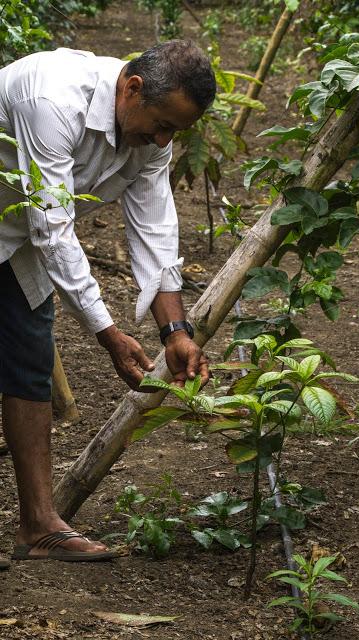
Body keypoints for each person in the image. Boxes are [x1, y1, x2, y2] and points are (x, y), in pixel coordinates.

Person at [0, 40, 215, 565]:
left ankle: (39, 524)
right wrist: (108, 335)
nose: (164, 140)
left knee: (28, 361)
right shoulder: (51, 97)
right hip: (27, 225)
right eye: (162, 124)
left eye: (175, 132)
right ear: (133, 88)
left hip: (12, 235)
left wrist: (176, 334)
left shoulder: (149, 135)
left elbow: (155, 232)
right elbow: (52, 225)